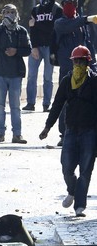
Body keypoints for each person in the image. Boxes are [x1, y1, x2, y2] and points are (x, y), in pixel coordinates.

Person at [39, 45, 97, 217]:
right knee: (66, 167)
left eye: (81, 61)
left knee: (85, 171)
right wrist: (47, 127)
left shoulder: (94, 81)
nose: (78, 64)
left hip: (90, 132)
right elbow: (57, 105)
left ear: (87, 62)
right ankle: (72, 191)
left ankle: (80, 205)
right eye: (75, 61)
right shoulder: (67, 81)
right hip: (70, 131)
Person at [54, 0, 97, 145]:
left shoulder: (84, 25)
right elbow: (70, 24)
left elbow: (90, 44)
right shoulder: (60, 22)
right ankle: (64, 134)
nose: (70, 7)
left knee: (88, 100)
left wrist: (94, 65)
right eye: (67, 4)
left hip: (86, 68)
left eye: (73, 4)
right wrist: (86, 19)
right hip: (68, 69)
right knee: (65, 101)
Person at [0, 4, 32, 144]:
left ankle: (17, 134)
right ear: (3, 14)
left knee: (15, 106)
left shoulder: (21, 31)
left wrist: (16, 51)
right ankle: (0, 133)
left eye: (12, 12)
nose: (10, 14)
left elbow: (28, 50)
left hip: (16, 75)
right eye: (7, 12)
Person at [22, 0, 62, 112]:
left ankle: (46, 104)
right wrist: (33, 47)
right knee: (32, 76)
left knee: (48, 77)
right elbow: (32, 30)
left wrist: (36, 25)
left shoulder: (57, 10)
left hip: (51, 48)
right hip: (36, 47)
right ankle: (30, 103)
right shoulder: (36, 9)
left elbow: (52, 29)